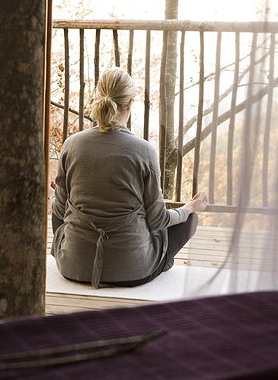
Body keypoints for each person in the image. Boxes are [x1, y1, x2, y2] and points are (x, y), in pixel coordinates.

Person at [50, 67, 208, 288]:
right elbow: (157, 220)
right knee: (189, 220)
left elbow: (58, 213)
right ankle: (158, 263)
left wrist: (59, 194)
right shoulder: (144, 151)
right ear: (130, 105)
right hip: (133, 270)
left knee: (59, 215)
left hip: (73, 267)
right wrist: (189, 207)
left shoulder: (71, 145)